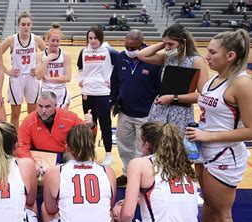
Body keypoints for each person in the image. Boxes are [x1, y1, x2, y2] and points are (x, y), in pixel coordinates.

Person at [186, 29, 252, 222]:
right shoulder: (214, 79)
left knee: (221, 214)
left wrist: (207, 136)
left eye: (212, 52)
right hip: (205, 151)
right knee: (208, 205)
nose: (207, 56)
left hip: (224, 155)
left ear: (230, 56)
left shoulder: (242, 83)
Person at [113, 122, 205, 222]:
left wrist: (118, 212)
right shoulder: (183, 163)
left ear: (146, 144)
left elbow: (127, 216)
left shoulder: (139, 164)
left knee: (117, 212)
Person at [42, 124, 121, 222]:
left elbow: (50, 209)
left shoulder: (54, 172)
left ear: (67, 146)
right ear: (93, 146)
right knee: (108, 211)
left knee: (44, 207)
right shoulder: (108, 172)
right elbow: (109, 206)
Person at [137, 23, 209, 134]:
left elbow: (203, 95)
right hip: (160, 110)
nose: (167, 47)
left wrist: (173, 98)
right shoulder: (168, 57)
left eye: (171, 44)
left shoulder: (196, 61)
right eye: (165, 44)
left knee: (174, 148)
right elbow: (141, 55)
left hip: (180, 113)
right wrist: (164, 43)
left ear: (183, 42)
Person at [110, 30, 160, 185]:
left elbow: (160, 87)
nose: (129, 51)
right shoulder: (121, 57)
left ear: (141, 44)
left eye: (133, 48)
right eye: (127, 47)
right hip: (124, 111)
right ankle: (127, 172)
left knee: (143, 148)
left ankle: (142, 176)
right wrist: (113, 101)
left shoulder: (153, 59)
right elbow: (115, 81)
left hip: (145, 114)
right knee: (124, 145)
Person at [77, 25, 119, 165]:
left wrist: (113, 83)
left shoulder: (110, 51)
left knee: (105, 124)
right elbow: (81, 69)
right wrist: (81, 80)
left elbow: (120, 69)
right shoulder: (84, 52)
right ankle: (89, 152)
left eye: (95, 38)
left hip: (103, 93)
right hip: (88, 93)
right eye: (90, 38)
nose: (93, 41)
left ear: (101, 38)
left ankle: (108, 154)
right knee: (89, 124)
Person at [16, 91, 96, 160]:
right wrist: (31, 163)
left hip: (63, 156)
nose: (43, 111)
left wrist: (91, 126)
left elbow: (86, 136)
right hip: (39, 156)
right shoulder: (29, 121)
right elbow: (21, 146)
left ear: (55, 105)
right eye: (40, 106)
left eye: (47, 107)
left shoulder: (69, 117)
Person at [1, 12, 46, 129]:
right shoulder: (11, 40)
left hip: (32, 78)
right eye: (23, 24)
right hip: (17, 78)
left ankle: (31, 137)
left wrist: (39, 68)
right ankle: (14, 139)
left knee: (32, 113)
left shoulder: (36, 39)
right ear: (18, 25)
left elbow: (48, 55)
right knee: (15, 113)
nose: (26, 27)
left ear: (31, 25)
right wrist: (7, 71)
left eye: (28, 24)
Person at [35, 24, 72, 109]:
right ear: (47, 40)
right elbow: (38, 76)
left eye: (57, 41)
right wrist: (46, 60)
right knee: (45, 118)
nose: (55, 43)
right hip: (46, 90)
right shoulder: (41, 55)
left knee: (62, 119)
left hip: (61, 90)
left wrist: (50, 79)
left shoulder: (65, 56)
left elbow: (68, 78)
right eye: (53, 40)